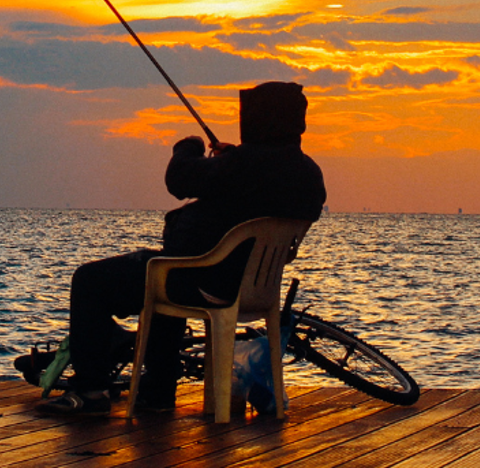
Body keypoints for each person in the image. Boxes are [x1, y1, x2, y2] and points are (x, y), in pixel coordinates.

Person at [34, 81, 326, 416]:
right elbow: (257, 183)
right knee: (167, 266)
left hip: (203, 281)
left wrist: (188, 147)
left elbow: (180, 179)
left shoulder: (241, 166)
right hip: (250, 290)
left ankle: (90, 392)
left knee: (90, 280)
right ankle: (156, 392)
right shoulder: (307, 173)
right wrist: (232, 158)